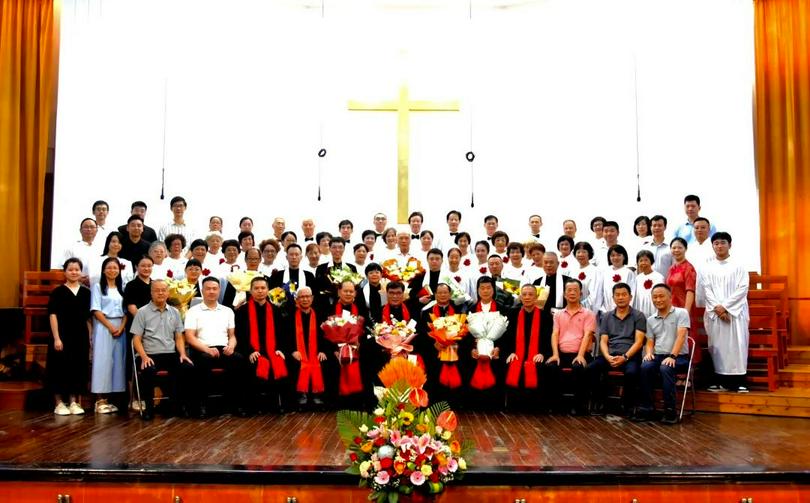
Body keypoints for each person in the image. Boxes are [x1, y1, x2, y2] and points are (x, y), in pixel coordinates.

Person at [183, 276, 248, 417]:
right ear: (202, 291)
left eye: (214, 289)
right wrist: (206, 349)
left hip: (223, 349)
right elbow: (189, 337)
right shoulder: (193, 311)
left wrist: (231, 346)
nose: (211, 291)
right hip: (202, 349)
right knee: (204, 361)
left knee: (239, 360)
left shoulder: (227, 311)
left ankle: (236, 405)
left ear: (219, 290)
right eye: (208, 289)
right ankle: (202, 406)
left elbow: (232, 336)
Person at [131, 279, 190, 420]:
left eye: (163, 290)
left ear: (168, 293)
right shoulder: (142, 312)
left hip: (170, 354)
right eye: (157, 290)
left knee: (186, 367)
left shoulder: (174, 312)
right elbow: (136, 339)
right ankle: (149, 409)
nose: (160, 293)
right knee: (148, 370)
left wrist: (182, 354)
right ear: (151, 293)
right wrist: (144, 356)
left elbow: (179, 337)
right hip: (149, 354)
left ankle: (176, 406)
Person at [698, 232, 750, 393]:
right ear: (712, 246)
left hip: (736, 314)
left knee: (737, 347)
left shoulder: (739, 265)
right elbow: (707, 290)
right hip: (716, 315)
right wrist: (719, 310)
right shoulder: (707, 267)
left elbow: (743, 288)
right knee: (718, 348)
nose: (719, 246)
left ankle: (740, 382)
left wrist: (726, 307)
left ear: (730, 245)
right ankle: (720, 382)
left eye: (723, 243)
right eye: (716, 243)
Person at [587, 282, 646, 416]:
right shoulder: (607, 316)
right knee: (591, 368)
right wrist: (607, 356)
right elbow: (603, 341)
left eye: (624, 294)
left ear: (630, 297)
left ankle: (628, 406)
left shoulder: (638, 316)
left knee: (632, 373)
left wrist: (625, 357)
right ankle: (599, 402)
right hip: (610, 355)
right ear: (613, 298)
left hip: (630, 356)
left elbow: (639, 342)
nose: (620, 297)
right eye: (617, 295)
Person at [635, 284, 690, 424]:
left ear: (670, 297)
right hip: (658, 356)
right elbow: (650, 341)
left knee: (666, 368)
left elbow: (681, 336)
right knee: (645, 367)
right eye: (655, 297)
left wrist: (672, 356)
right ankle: (646, 408)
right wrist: (648, 353)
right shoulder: (651, 319)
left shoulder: (681, 313)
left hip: (679, 356)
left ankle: (670, 411)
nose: (658, 300)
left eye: (661, 296)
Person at [234, 276, 289, 414]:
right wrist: (249, 351)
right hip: (251, 350)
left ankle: (276, 404)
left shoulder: (276, 310)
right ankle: (252, 405)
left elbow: (283, 333)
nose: (260, 291)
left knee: (279, 361)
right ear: (251, 291)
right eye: (256, 288)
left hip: (272, 350)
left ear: (268, 290)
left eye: (263, 288)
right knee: (252, 363)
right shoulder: (242, 311)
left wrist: (280, 349)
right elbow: (240, 335)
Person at [47, 258, 92, 416]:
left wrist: (90, 338)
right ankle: (59, 403)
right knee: (58, 367)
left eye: (77, 269)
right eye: (70, 269)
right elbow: (53, 315)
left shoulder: (86, 293)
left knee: (78, 367)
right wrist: (56, 338)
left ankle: (73, 401)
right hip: (62, 335)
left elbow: (88, 319)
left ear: (81, 272)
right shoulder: (57, 292)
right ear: (65, 272)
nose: (74, 272)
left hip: (80, 335)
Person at [545, 280, 596, 415]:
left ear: (581, 294)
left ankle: (579, 406)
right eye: (569, 290)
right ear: (564, 294)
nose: (572, 293)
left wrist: (580, 355)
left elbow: (587, 335)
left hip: (581, 352)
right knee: (550, 366)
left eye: (575, 290)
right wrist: (555, 354)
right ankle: (555, 405)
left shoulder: (588, 314)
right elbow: (555, 334)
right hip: (562, 353)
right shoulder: (558, 314)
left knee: (579, 367)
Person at [90, 257, 128, 414]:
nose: (112, 270)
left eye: (115, 268)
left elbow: (126, 311)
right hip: (104, 326)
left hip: (120, 327)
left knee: (118, 362)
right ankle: (100, 400)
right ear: (104, 270)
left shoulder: (122, 288)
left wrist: (122, 327)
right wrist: (111, 327)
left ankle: (112, 399)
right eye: (109, 268)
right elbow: (96, 310)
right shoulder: (98, 287)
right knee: (103, 361)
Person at [502, 285, 548, 412]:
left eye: (530, 294)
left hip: (537, 353)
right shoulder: (512, 314)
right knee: (513, 363)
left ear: (536, 297)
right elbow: (507, 337)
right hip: (516, 352)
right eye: (524, 294)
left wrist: (543, 353)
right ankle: (513, 405)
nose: (527, 297)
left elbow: (548, 338)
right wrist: (510, 352)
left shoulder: (545, 316)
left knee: (537, 365)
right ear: (520, 297)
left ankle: (534, 406)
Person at [465, 276, 505, 410]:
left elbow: (507, 333)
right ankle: (475, 403)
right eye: (482, 288)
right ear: (477, 290)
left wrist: (499, 348)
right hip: (476, 350)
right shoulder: (470, 309)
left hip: (495, 350)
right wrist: (471, 348)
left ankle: (494, 404)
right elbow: (465, 332)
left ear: (494, 290)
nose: (485, 291)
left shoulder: (502, 308)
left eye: (488, 288)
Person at [285, 287, 328, 410]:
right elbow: (285, 337)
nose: (305, 299)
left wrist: (323, 351)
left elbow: (326, 336)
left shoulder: (321, 315)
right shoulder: (289, 316)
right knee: (294, 362)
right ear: (297, 299)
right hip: (298, 351)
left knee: (323, 360)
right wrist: (292, 351)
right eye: (302, 297)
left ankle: (317, 394)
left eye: (307, 296)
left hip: (316, 352)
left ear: (312, 298)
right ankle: (301, 394)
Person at [122, 255, 154, 411]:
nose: (146, 268)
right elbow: (131, 307)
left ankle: (150, 398)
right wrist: (146, 324)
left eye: (149, 266)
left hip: (155, 331)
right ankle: (134, 398)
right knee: (133, 363)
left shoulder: (155, 285)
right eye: (143, 266)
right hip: (137, 328)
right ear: (136, 267)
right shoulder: (131, 285)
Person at [315, 237, 357, 308]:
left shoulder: (351, 268)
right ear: (330, 249)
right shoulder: (321, 268)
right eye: (334, 247)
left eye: (340, 247)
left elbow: (354, 288)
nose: (337, 250)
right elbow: (318, 290)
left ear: (344, 249)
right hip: (326, 305)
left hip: (347, 305)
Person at [598, 245, 636, 315]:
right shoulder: (605, 272)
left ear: (624, 256)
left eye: (619, 255)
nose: (615, 258)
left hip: (625, 311)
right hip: (607, 311)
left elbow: (632, 292)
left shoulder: (628, 272)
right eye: (612, 255)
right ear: (609, 258)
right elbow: (601, 292)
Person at [570, 241, 602, 313]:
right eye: (578, 252)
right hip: (573, 309)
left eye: (584, 252)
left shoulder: (595, 271)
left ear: (589, 254)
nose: (581, 254)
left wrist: (581, 306)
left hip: (588, 310)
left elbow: (595, 295)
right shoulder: (573, 271)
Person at [632, 250, 665, 317]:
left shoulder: (658, 277)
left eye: (646, 260)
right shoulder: (638, 278)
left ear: (651, 261)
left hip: (654, 309)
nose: (643, 263)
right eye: (641, 261)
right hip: (640, 309)